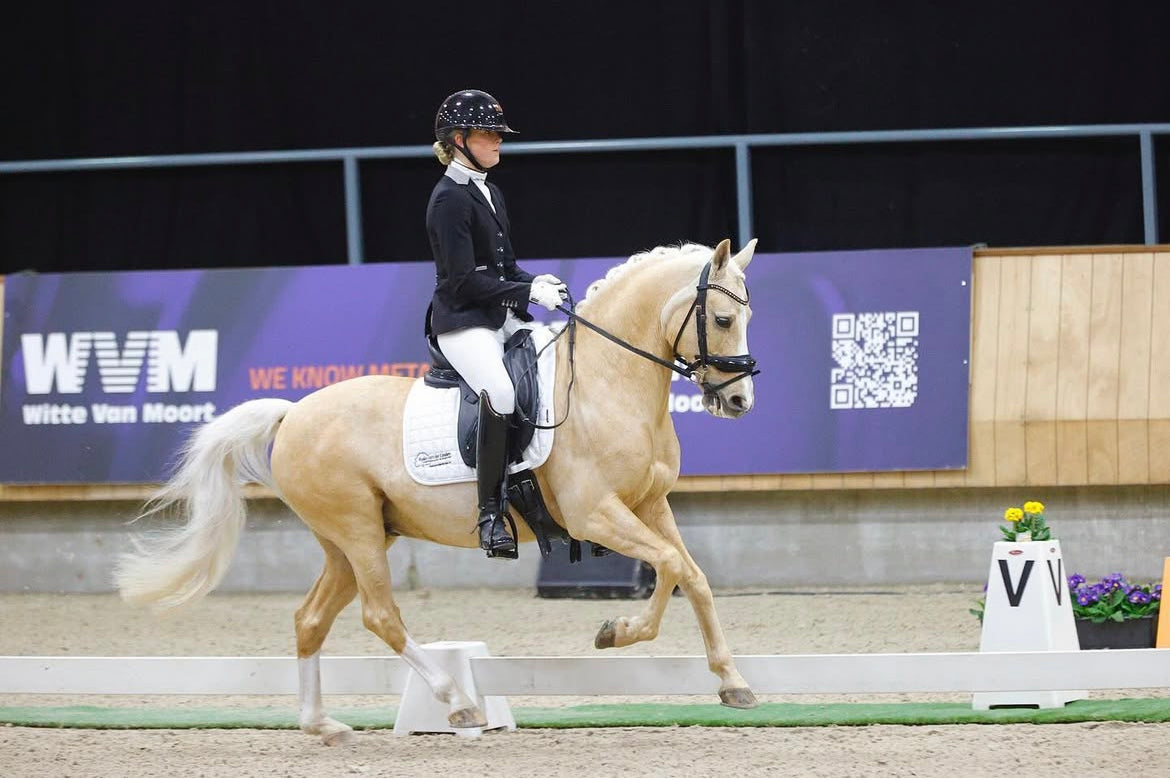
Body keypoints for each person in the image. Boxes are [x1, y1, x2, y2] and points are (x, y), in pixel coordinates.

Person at [426, 89, 566, 559]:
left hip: (499, 315)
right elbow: (464, 281)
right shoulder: (448, 200)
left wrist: (533, 280)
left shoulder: (489, 191)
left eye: (498, 135)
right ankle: (490, 513)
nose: (498, 142)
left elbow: (502, 269)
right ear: (459, 139)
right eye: (489, 135)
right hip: (464, 322)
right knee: (502, 393)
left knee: (555, 356)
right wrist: (527, 293)